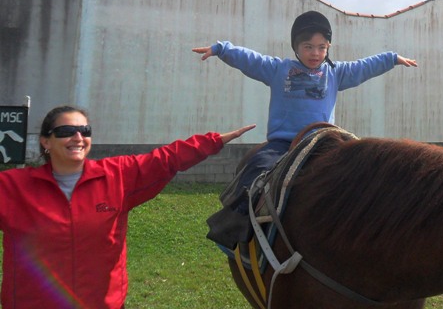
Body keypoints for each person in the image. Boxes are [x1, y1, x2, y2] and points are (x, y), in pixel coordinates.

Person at [192, 10, 417, 245]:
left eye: (322, 47)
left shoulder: (335, 73)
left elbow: (363, 67)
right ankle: (235, 224)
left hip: (323, 142)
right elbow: (251, 60)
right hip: (284, 144)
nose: (315, 53)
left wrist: (391, 59)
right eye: (308, 46)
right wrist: (221, 49)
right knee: (257, 166)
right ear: (296, 47)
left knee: (361, 170)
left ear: (328, 48)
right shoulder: (278, 69)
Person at [0, 105, 255, 309]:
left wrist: (212, 142)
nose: (78, 137)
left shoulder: (116, 175)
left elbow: (165, 160)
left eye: (84, 130)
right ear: (46, 141)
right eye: (67, 130)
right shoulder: (11, 187)